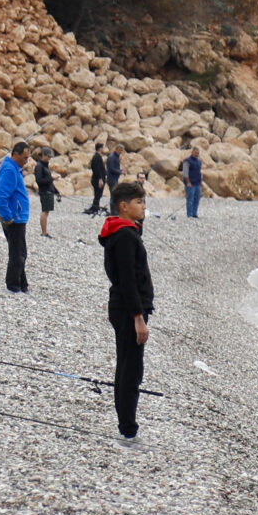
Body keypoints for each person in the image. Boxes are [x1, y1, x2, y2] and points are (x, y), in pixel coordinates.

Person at [99, 179, 153, 442]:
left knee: (128, 365)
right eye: (139, 202)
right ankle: (127, 429)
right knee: (130, 369)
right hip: (128, 310)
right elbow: (128, 281)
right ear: (123, 206)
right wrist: (138, 318)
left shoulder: (125, 231)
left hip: (125, 307)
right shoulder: (123, 237)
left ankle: (126, 425)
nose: (143, 207)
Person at [0, 140, 32, 294]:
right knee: (18, 253)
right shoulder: (10, 169)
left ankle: (22, 284)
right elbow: (0, 194)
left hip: (14, 216)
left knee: (18, 251)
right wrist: (5, 215)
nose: (26, 161)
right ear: (15, 154)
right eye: (24, 158)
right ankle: (13, 285)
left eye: (28, 158)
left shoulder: (9, 166)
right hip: (15, 218)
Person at [32, 149, 56, 238]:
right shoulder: (39, 166)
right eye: (48, 156)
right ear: (43, 155)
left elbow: (49, 181)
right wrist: (51, 179)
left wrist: (57, 191)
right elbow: (39, 180)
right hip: (45, 192)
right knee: (44, 211)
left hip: (49, 191)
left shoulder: (45, 166)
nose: (49, 158)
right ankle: (44, 232)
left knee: (46, 211)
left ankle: (44, 231)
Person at [182, 141, 203, 223]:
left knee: (197, 199)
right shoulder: (187, 161)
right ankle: (189, 214)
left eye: (198, 153)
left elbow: (199, 172)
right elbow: (185, 173)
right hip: (190, 183)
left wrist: (200, 182)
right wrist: (188, 182)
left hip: (197, 183)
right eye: (195, 152)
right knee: (190, 199)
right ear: (192, 152)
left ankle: (194, 213)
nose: (197, 154)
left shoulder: (199, 162)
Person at [88, 144, 108, 217]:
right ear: (100, 149)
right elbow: (96, 169)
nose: (103, 149)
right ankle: (95, 208)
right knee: (97, 194)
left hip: (99, 178)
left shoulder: (98, 157)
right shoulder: (96, 157)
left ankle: (95, 207)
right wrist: (100, 178)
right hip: (97, 179)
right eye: (102, 148)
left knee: (98, 194)